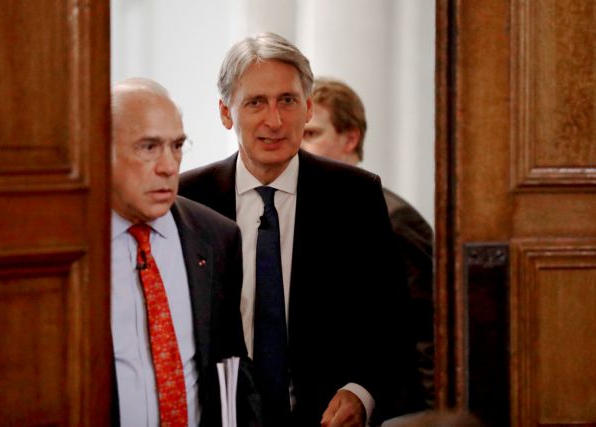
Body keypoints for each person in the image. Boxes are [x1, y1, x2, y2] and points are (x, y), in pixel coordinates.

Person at [179, 32, 425, 426]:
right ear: (226, 113)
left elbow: (392, 329)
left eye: (288, 101)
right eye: (256, 102)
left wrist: (361, 393)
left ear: (307, 107)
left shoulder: (356, 196)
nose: (274, 121)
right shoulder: (188, 200)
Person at [110, 78, 260, 427]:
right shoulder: (68, 249)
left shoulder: (217, 236)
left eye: (177, 146)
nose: (168, 166)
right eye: (149, 147)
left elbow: (232, 366)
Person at [302, 77, 435, 407]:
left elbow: (426, 338)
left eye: (312, 134)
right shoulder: (302, 213)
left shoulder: (395, 219)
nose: (298, 146)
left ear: (350, 138)